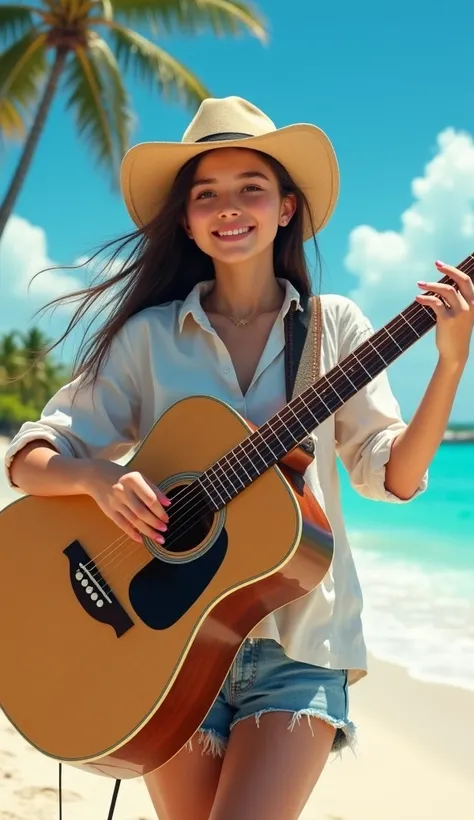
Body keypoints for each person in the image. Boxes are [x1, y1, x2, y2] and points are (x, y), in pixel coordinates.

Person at [4, 96, 473, 820]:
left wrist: (448, 364)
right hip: (162, 647)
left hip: (301, 647)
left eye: (250, 187)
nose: (229, 207)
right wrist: (97, 479)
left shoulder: (333, 327)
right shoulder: (149, 338)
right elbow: (34, 455)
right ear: (187, 220)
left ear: (287, 207)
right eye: (205, 194)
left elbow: (394, 476)